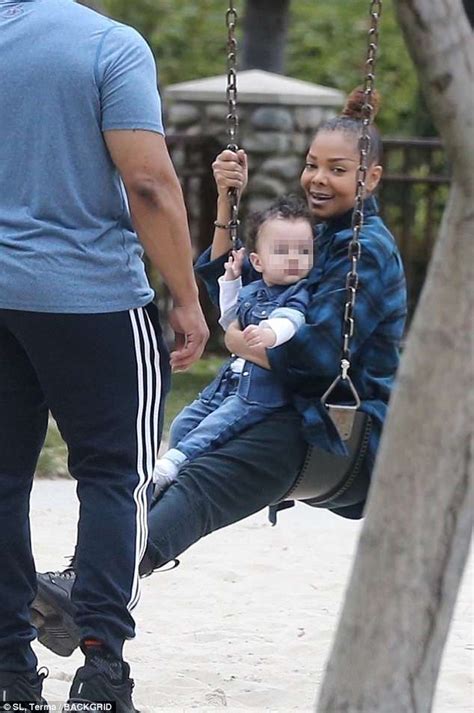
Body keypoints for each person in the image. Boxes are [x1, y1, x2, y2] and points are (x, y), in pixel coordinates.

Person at [32, 88, 407, 663]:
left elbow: (316, 358)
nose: (317, 179)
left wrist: (235, 341)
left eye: (338, 169)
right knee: (172, 463)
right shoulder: (313, 230)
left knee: (203, 480)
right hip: (278, 403)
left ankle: (90, 590)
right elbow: (227, 280)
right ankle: (86, 583)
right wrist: (229, 203)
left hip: (336, 432)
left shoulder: (366, 250)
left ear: (371, 177)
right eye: (311, 165)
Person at [0, 1, 208, 711]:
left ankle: (8, 676)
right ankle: (100, 672)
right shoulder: (108, 46)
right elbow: (148, 182)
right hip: (90, 296)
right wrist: (184, 293)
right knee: (115, 477)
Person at [153, 195, 314, 491]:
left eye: (303, 251)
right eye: (282, 251)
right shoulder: (253, 290)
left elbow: (292, 319)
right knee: (184, 424)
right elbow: (229, 319)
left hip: (259, 394)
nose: (294, 259)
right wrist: (230, 281)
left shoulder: (299, 292)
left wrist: (271, 333)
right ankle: (179, 477)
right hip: (229, 383)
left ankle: (175, 462)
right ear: (258, 261)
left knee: (217, 427)